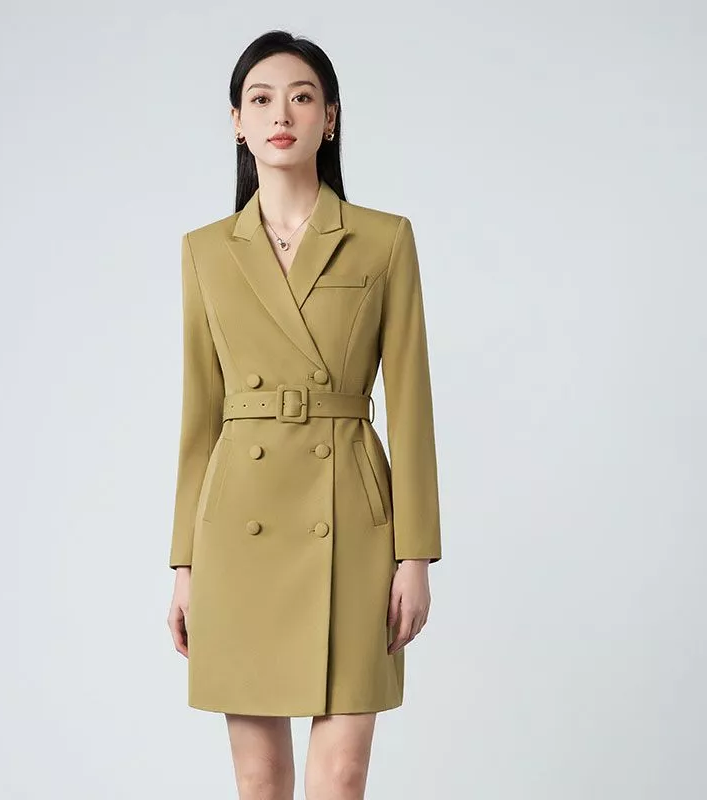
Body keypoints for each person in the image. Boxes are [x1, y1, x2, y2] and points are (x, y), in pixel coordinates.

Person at [166, 29, 442, 800]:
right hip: (238, 528)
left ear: (331, 117)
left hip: (350, 520)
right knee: (258, 781)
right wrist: (185, 565)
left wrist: (416, 554)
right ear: (237, 122)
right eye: (260, 99)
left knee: (343, 776)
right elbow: (199, 418)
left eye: (301, 97)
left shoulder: (384, 240)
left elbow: (412, 405)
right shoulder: (205, 251)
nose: (281, 114)